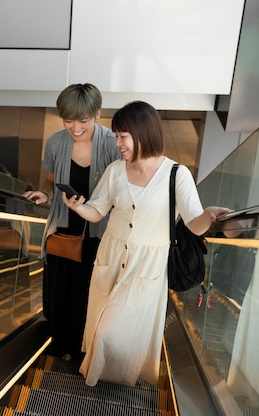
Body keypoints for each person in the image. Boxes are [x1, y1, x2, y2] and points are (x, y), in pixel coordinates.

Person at [61, 100, 231, 387]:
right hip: (111, 256)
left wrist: (208, 215)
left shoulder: (177, 174)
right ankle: (110, 380)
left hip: (147, 264)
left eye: (122, 136)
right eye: (116, 136)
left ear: (142, 133)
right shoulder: (116, 170)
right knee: (104, 323)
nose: (118, 144)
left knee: (113, 330)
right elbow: (98, 211)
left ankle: (106, 378)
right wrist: (77, 206)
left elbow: (193, 225)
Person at [23, 83, 120, 361]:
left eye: (83, 121)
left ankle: (83, 352)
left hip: (98, 232)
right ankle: (60, 346)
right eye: (68, 121)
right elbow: (50, 183)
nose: (75, 128)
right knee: (61, 290)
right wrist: (44, 193)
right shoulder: (55, 142)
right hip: (64, 230)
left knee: (89, 292)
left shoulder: (112, 144)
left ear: (97, 114)